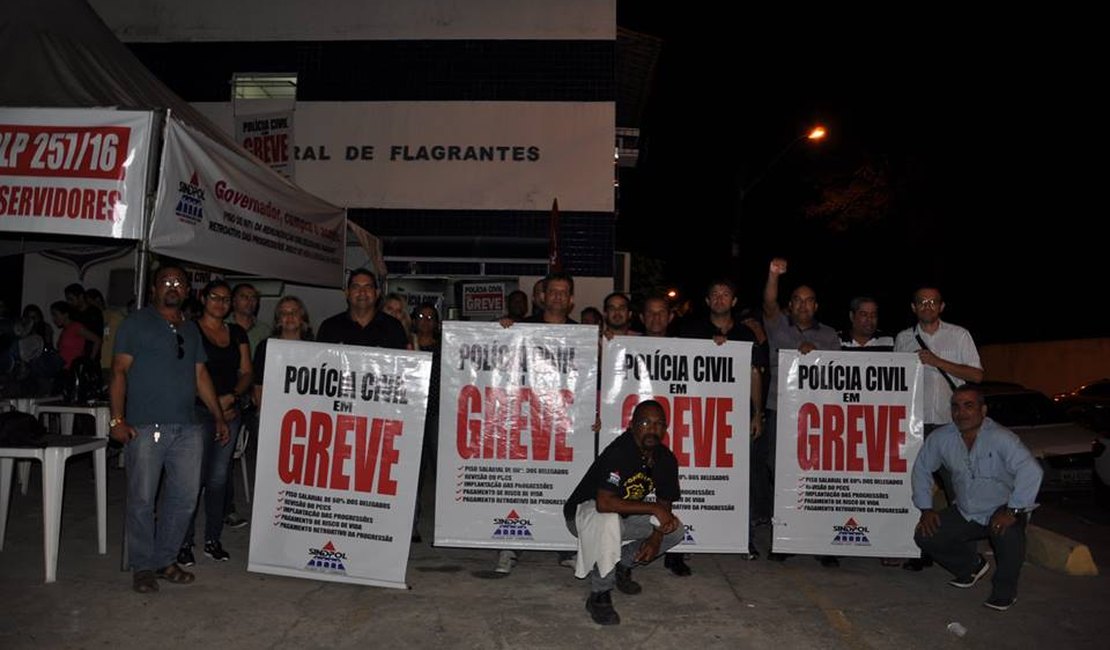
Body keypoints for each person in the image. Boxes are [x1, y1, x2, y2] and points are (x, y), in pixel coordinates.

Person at [110, 263, 228, 594]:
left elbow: (200, 375)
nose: (172, 286)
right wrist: (117, 420)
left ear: (188, 291)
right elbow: (118, 372)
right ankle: (143, 565)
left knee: (185, 498)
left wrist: (218, 416)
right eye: (166, 282)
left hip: (188, 428)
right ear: (153, 289)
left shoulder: (191, 330)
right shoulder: (135, 324)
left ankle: (165, 559)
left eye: (179, 282)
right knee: (142, 499)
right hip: (146, 427)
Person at [911, 384, 1041, 611]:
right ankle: (970, 566)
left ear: (983, 410)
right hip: (966, 510)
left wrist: (1013, 511)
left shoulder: (1002, 438)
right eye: (956, 407)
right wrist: (926, 509)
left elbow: (1031, 470)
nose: (961, 413)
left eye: (969, 406)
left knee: (1009, 535)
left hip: (1003, 510)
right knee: (926, 535)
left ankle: (1004, 591)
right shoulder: (942, 438)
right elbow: (921, 469)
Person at [564, 399, 684, 625]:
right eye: (646, 422)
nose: (652, 429)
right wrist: (654, 508)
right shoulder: (619, 452)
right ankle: (599, 595)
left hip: (620, 515)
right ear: (632, 425)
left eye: (659, 424)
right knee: (608, 521)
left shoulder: (666, 459)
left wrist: (656, 537)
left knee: (675, 530)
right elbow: (604, 504)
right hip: (583, 513)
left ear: (666, 429)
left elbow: (665, 503)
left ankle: (624, 564)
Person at [677, 279, 768, 569]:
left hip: (736, 419)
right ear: (707, 302)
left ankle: (744, 537)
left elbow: (755, 373)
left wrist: (756, 414)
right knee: (694, 477)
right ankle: (688, 535)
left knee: (743, 480)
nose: (719, 299)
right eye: (713, 294)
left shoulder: (746, 333)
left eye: (725, 294)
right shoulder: (691, 331)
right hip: (700, 416)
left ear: (734, 301)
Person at [895, 287, 983, 570]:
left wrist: (936, 362)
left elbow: (977, 375)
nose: (928, 306)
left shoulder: (959, 335)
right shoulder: (903, 338)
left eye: (933, 301)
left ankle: (965, 556)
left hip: (950, 428)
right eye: (922, 301)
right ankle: (918, 551)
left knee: (958, 489)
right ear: (913, 307)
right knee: (916, 488)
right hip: (915, 427)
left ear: (942, 306)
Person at [495, 271, 577, 574]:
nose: (556, 296)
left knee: (565, 486)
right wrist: (503, 330)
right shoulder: (521, 329)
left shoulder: (583, 335)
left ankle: (565, 546)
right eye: (551, 291)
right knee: (520, 483)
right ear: (541, 297)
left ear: (570, 299)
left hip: (564, 424)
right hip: (525, 421)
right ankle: (509, 546)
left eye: (562, 292)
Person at [762, 258, 841, 564]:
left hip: (818, 418)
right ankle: (785, 538)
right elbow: (768, 302)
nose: (804, 306)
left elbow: (839, 374)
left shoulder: (830, 336)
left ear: (816, 306)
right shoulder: (777, 326)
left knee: (817, 477)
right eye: (797, 300)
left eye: (809, 301)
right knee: (777, 472)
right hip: (780, 413)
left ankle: (822, 542)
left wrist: (817, 355)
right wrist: (773, 275)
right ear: (789, 305)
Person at [177, 280, 252, 567]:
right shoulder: (189, 330)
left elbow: (246, 372)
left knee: (219, 479)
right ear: (203, 298)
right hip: (196, 412)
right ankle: (183, 542)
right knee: (192, 478)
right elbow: (185, 373)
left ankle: (212, 539)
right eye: (214, 297)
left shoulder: (237, 333)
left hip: (230, 410)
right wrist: (214, 404)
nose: (220, 303)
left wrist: (231, 397)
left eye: (225, 299)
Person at [316, 268, 409, 350]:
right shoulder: (329, 327)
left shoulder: (393, 328)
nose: (362, 292)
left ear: (377, 293)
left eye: (368, 287)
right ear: (347, 293)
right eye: (356, 287)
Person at [411, 302, 442, 543]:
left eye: (430, 317)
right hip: (412, 414)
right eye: (421, 316)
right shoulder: (406, 345)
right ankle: (411, 524)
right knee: (413, 474)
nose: (425, 320)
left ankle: (445, 526)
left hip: (437, 415)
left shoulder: (444, 348)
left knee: (442, 472)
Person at [49, 301, 100, 369]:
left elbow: (97, 340)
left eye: (55, 315)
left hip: (73, 370)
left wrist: (90, 360)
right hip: (63, 369)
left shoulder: (76, 327)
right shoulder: (64, 330)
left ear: (66, 314)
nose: (54, 319)